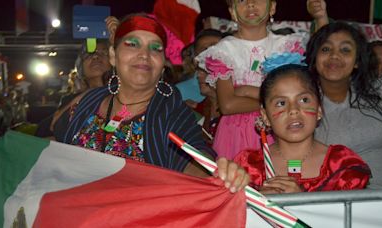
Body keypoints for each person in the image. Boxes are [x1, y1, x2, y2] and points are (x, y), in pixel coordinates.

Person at [52, 14, 249, 193]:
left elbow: (192, 160)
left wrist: (219, 175)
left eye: (155, 48)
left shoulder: (173, 112)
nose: (144, 54)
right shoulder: (88, 102)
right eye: (132, 44)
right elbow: (52, 148)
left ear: (162, 64)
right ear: (113, 56)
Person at [195, 0, 329, 159]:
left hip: (280, 126)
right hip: (238, 133)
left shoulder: (285, 46)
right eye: (242, 0)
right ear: (232, 11)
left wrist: (247, 91)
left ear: (272, 7)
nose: (250, 4)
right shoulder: (223, 51)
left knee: (284, 175)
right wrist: (277, 103)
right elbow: (228, 105)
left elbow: (321, 49)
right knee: (240, 178)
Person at [234, 64, 371, 193]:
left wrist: (302, 201)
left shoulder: (341, 165)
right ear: (265, 116)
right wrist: (256, 202)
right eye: (281, 103)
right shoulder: (248, 166)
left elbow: (349, 216)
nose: (293, 110)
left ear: (318, 109)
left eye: (304, 100)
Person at [305, 22, 382, 187]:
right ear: (314, 58)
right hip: (327, 208)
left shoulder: (380, 90)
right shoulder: (302, 103)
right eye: (325, 49)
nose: (334, 56)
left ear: (357, 61)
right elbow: (289, 157)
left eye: (345, 50)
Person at [35, 40, 112, 138]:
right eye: (88, 55)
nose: (95, 57)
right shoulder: (69, 101)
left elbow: (111, 132)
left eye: (103, 53)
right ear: (81, 69)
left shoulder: (123, 95)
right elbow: (49, 128)